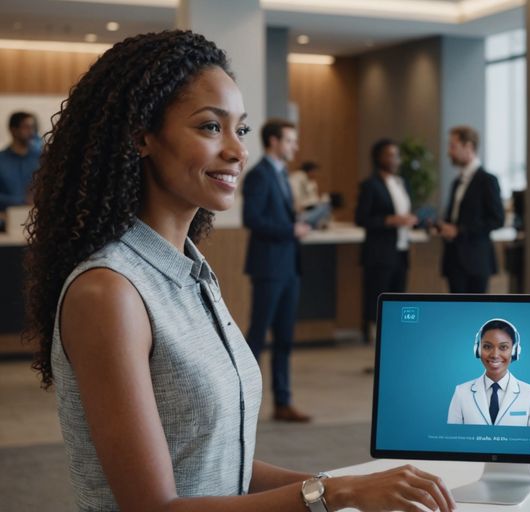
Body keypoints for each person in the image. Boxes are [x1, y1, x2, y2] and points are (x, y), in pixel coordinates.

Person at [22, 30, 454, 512]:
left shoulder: (192, 273)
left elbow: (221, 464)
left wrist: (355, 484)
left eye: (241, 130)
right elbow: (154, 507)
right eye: (210, 127)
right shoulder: (109, 292)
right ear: (141, 136)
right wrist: (335, 494)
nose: (237, 150)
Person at [242, 118, 313, 423]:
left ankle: (283, 403)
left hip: (288, 267)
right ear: (273, 141)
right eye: (289, 140)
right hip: (269, 266)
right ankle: (241, 401)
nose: (294, 146)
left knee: (284, 338)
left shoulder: (282, 174)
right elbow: (252, 219)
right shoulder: (259, 175)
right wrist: (290, 229)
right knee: (258, 337)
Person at [355, 138, 418, 343]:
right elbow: (361, 218)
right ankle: (375, 341)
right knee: (377, 299)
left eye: (396, 155)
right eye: (389, 155)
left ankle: (394, 339)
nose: (394, 159)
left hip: (400, 249)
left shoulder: (401, 183)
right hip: (379, 253)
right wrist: (390, 220)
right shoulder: (370, 185)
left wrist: (411, 219)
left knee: (398, 300)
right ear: (378, 158)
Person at [436, 125, 504, 294]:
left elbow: (496, 220)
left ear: (468, 146)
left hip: (476, 261)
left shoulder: (487, 180)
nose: (449, 152)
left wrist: (460, 231)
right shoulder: (456, 182)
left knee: (476, 313)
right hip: (454, 260)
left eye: (453, 146)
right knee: (455, 313)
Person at [448, 319, 530, 426]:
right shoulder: (461, 393)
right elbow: (453, 438)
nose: (495, 355)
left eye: (503, 347)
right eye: (487, 346)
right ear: (478, 350)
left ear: (514, 351)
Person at [0, 111, 41, 210]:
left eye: (33, 127)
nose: (31, 132)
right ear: (13, 130)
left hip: (37, 215)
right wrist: (21, 201)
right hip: (6, 215)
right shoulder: (2, 160)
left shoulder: (41, 158)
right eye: (26, 127)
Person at [289, 160, 331, 229]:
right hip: (299, 214)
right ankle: (310, 224)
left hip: (306, 211)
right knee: (326, 206)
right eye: (315, 171)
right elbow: (296, 199)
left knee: (326, 205)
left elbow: (313, 199)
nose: (316, 174)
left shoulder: (311, 181)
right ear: (310, 171)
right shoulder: (298, 177)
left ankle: (314, 224)